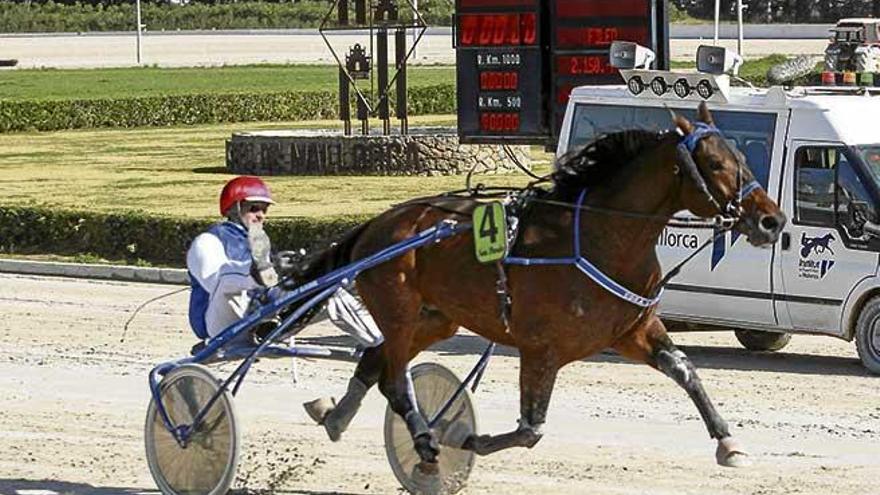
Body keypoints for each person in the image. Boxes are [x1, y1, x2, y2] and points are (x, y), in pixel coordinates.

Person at [186, 175, 383, 347]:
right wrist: (260, 271)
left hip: (259, 314)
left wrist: (302, 271)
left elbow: (272, 285)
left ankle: (378, 343)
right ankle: (263, 299)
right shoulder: (206, 241)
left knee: (328, 287)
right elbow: (216, 283)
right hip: (220, 323)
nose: (261, 215)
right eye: (254, 208)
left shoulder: (260, 240)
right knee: (227, 280)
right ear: (235, 208)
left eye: (264, 210)